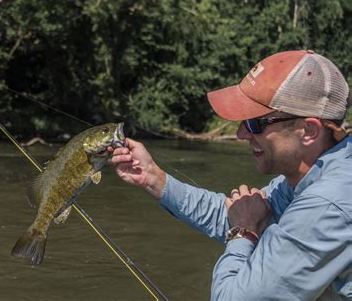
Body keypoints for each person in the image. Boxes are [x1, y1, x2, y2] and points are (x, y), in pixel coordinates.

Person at [109, 50, 351, 300]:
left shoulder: (327, 204)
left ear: (308, 130)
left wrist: (242, 234)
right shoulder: (308, 172)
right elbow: (240, 213)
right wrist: (153, 178)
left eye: (255, 123)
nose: (241, 134)